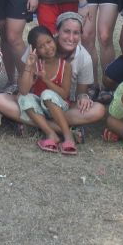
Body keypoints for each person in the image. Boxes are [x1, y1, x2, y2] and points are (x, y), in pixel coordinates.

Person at [0, 11, 106, 134]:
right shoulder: (38, 44)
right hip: (35, 102)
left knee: (98, 110)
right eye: (67, 31)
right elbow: (24, 89)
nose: (71, 38)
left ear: (80, 35)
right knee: (0, 100)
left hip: (63, 106)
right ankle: (61, 129)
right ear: (57, 32)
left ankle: (36, 124)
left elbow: (80, 93)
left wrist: (83, 97)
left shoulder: (84, 58)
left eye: (76, 33)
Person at [18, 26, 76, 155]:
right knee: (23, 98)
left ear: (54, 39)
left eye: (49, 42)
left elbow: (65, 94)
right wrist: (28, 66)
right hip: (41, 109)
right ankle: (51, 134)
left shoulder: (65, 66)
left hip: (59, 106)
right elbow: (23, 90)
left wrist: (47, 81)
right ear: (35, 50)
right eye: (41, 46)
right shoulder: (35, 64)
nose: (48, 48)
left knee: (47, 94)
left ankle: (68, 136)